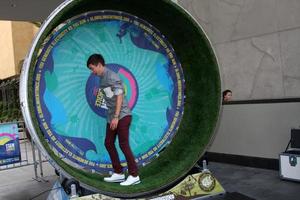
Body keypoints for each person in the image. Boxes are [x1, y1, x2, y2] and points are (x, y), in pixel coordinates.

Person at [87, 54, 140, 186]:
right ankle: (118, 173)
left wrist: (116, 116)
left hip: (122, 116)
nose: (92, 72)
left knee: (123, 144)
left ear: (99, 65)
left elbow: (120, 96)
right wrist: (112, 117)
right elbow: (110, 98)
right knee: (109, 143)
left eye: (92, 68)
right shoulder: (102, 78)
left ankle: (134, 175)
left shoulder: (112, 76)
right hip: (112, 117)